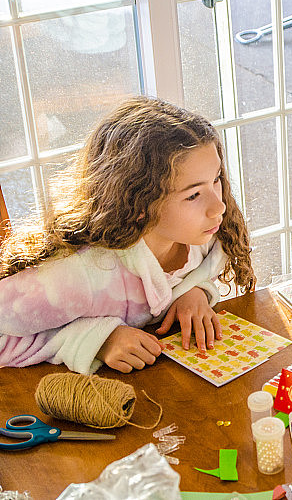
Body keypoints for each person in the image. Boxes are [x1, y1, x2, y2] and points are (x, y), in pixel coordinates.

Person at [0, 96, 255, 375]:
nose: (219, 206)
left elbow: (184, 277)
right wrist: (97, 339)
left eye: (216, 179)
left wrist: (193, 291)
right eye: (193, 194)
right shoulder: (79, 276)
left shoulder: (203, 237)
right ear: (138, 203)